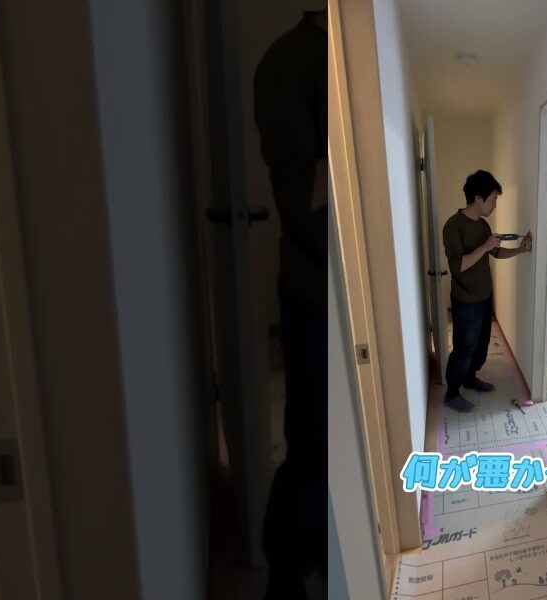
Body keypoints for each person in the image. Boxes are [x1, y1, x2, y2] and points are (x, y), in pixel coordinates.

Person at [252, 6, 325, 599]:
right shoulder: (288, 62)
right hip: (313, 290)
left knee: (328, 446)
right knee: (311, 446)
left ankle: (323, 555)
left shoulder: (345, 59)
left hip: (329, 293)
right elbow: (302, 192)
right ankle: (284, 579)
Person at [441, 170, 533, 412]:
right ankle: (452, 393)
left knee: (481, 345)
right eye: (493, 199)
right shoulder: (453, 226)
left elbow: (496, 252)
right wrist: (484, 246)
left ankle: (470, 378)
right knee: (464, 347)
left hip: (484, 297)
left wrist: (521, 250)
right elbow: (458, 266)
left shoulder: (482, 224)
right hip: (465, 300)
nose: (495, 205)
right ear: (478, 198)